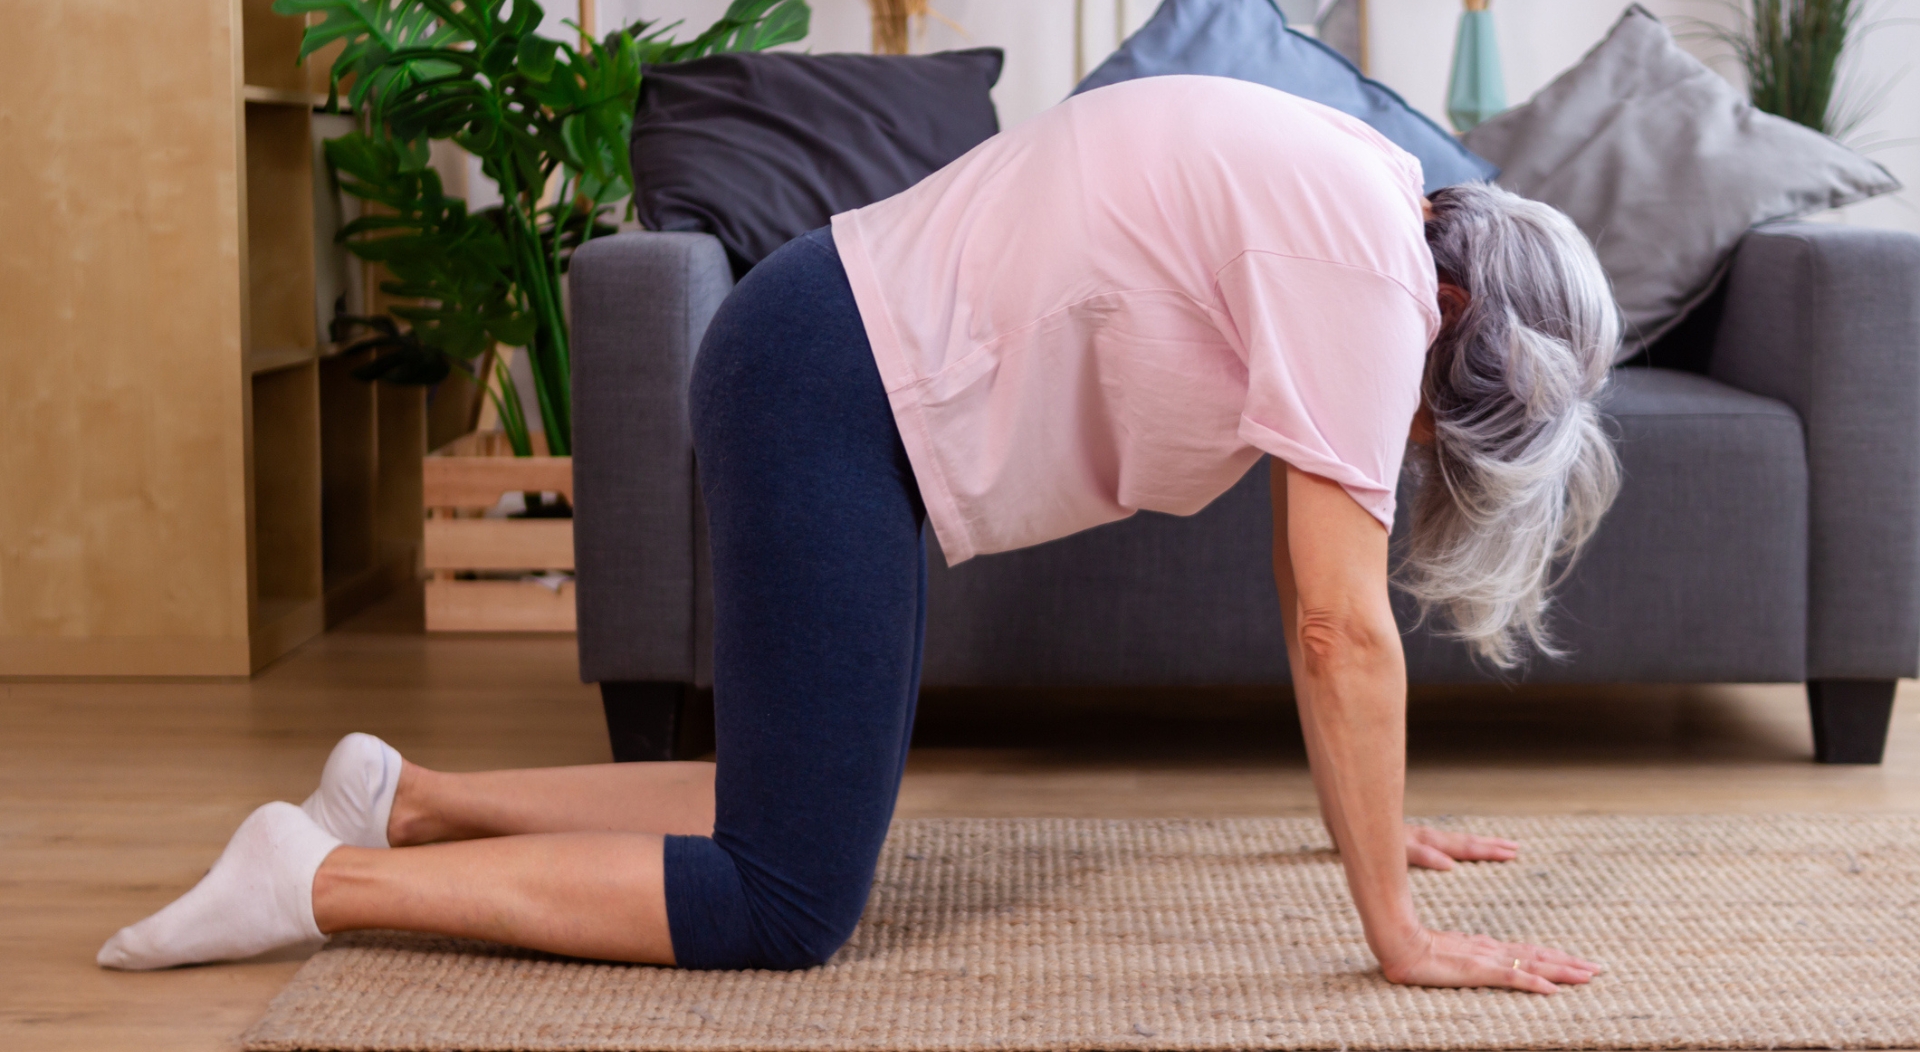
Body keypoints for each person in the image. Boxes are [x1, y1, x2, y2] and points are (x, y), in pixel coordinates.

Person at [99, 75, 1618, 995]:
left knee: (797, 783)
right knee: (787, 896)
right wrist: (1396, 928)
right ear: (1466, 316)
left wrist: (1373, 814)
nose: (1420, 437)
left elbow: (1318, 599)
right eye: (1448, 412)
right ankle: (312, 881)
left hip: (819, 358)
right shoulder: (1368, 271)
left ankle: (401, 799)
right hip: (830, 386)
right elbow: (1339, 623)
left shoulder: (1354, 208)